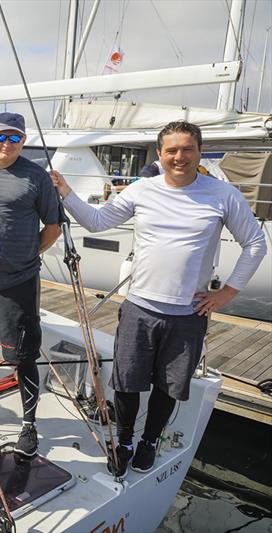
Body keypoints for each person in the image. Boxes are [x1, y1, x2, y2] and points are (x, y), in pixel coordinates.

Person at [51, 120, 267, 476]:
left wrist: (226, 293)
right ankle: (124, 441)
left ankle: (150, 440)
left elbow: (255, 243)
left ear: (199, 152)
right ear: (161, 154)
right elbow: (97, 221)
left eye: (187, 149)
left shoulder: (222, 194)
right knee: (126, 382)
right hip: (139, 307)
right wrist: (66, 193)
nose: (179, 157)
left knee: (168, 387)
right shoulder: (143, 190)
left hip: (187, 314)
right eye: (171, 150)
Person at [0, 112, 62, 459]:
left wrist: (27, 253)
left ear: (23, 141)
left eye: (14, 138)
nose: (6, 144)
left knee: (21, 355)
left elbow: (53, 225)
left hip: (17, 282)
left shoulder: (36, 176)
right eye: (0, 136)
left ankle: (29, 423)